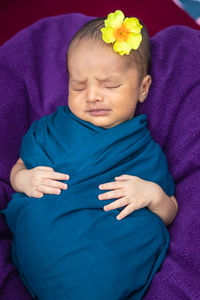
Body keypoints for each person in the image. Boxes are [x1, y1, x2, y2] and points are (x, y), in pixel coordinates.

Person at [3, 10, 178, 300]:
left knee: (145, 231)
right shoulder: (49, 130)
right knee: (35, 218)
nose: (93, 95)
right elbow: (18, 168)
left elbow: (169, 211)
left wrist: (152, 195)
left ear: (143, 88)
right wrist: (24, 180)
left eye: (110, 85)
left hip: (110, 250)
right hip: (50, 237)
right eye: (78, 86)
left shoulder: (142, 148)